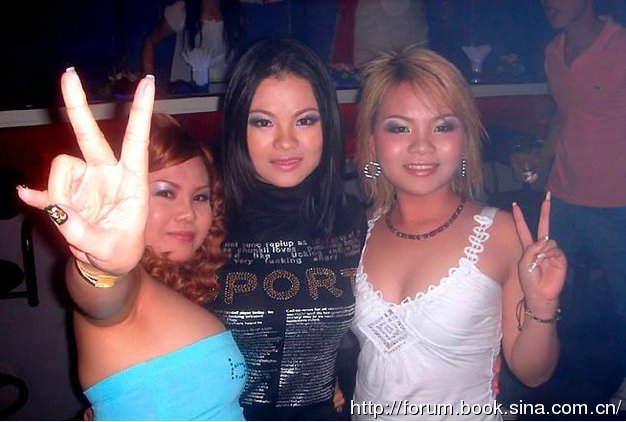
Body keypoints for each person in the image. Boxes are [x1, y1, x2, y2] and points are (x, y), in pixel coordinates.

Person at [17, 70, 245, 420]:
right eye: (165, 192)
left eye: (200, 197)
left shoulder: (182, 284)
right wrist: (100, 267)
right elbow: (104, 297)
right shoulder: (128, 284)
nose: (187, 212)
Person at [352, 47, 566, 419]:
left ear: (464, 139)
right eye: (400, 127)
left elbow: (532, 373)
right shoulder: (357, 232)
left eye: (442, 126)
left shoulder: (500, 233)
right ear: (373, 141)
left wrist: (542, 306)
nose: (422, 145)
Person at [208, 38, 367, 420]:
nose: (285, 141)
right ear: (238, 128)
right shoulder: (203, 219)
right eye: (263, 121)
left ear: (327, 125)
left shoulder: (354, 220)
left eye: (305, 120)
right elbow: (121, 306)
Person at [510, 0, 626, 403]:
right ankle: (530, 369)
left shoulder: (621, 46)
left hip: (616, 200)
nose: (548, 3)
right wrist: (540, 157)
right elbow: (564, 114)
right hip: (561, 195)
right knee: (539, 287)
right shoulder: (553, 52)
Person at [142, 0, 241, 85]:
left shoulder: (234, 14)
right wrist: (149, 80)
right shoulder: (182, 11)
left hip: (224, 91)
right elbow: (150, 41)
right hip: (187, 92)